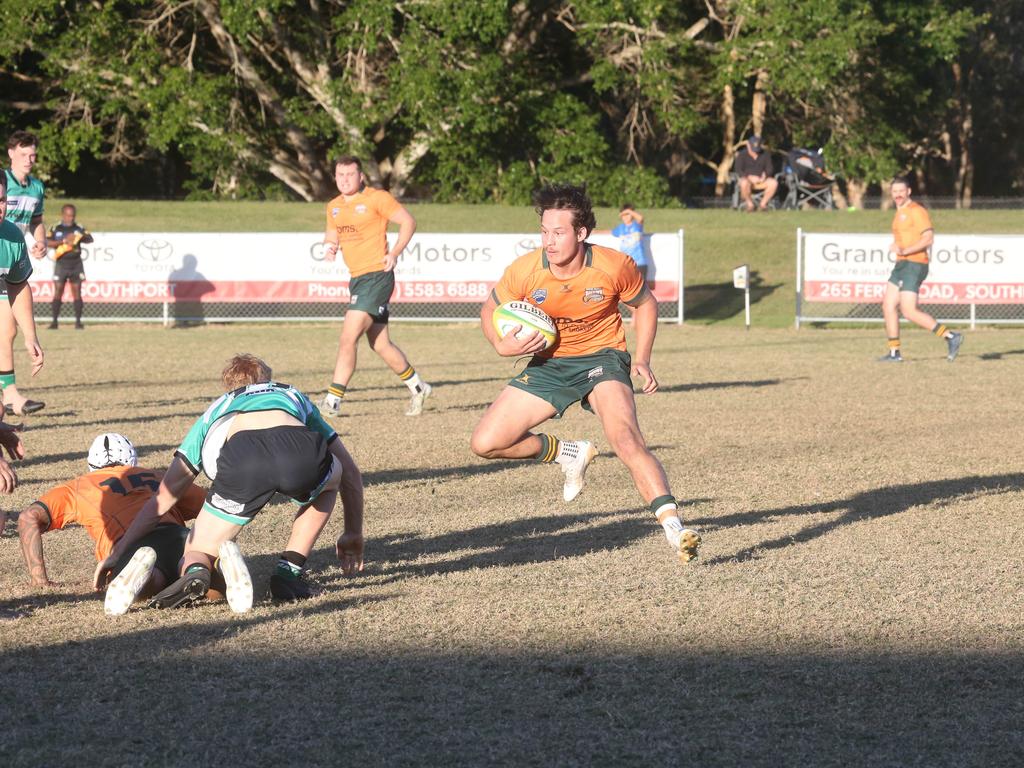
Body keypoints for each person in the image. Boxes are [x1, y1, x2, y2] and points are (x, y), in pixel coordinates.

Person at [470, 183, 701, 564]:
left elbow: (645, 305)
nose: (549, 241)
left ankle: (674, 528)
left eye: (558, 232)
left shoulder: (612, 265)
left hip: (603, 358)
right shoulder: (525, 270)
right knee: (486, 442)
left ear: (581, 233)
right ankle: (569, 453)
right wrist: (500, 344)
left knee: (626, 439)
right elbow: (488, 309)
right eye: (544, 231)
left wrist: (641, 358)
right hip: (550, 363)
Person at [94, 354, 365, 612]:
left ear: (229, 387)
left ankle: (196, 569)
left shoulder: (218, 408)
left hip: (241, 457)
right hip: (298, 450)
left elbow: (164, 497)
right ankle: (289, 573)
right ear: (267, 380)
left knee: (197, 548)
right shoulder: (290, 393)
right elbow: (352, 473)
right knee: (334, 476)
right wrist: (352, 533)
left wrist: (119, 551)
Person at [14, 433, 223, 615]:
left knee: (150, 583)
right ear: (132, 460)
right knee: (208, 584)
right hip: (179, 536)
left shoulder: (79, 486)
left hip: (128, 545)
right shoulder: (158, 476)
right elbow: (214, 508)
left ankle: (146, 575)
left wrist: (38, 579)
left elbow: (28, 518)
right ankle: (216, 569)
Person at [320, 156, 432, 417]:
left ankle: (332, 401)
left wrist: (394, 253)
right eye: (340, 175)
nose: (344, 179)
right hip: (357, 278)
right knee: (380, 344)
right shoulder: (333, 206)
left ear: (361, 177)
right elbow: (332, 232)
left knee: (348, 337)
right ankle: (418, 387)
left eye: (350, 174)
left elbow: (408, 221)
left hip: (377, 276)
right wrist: (330, 246)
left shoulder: (376, 198)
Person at [879, 176, 963, 362]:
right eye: (895, 191)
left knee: (908, 311)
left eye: (901, 191)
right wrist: (898, 248)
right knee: (888, 305)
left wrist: (905, 250)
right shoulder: (899, 212)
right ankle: (894, 353)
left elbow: (928, 238)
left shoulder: (916, 211)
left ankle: (950, 336)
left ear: (908, 191)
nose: (898, 194)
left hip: (914, 264)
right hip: (902, 264)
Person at [2, 132, 46, 416]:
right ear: (10, 153)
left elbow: (18, 286)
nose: (1, 207)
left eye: (3, 200)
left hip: (10, 267)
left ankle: (9, 394)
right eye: (24, 154)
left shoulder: (12, 237)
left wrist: (32, 336)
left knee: (7, 329)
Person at [45, 203, 93, 329]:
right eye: (68, 215)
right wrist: (63, 241)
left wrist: (79, 237)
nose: (70, 218)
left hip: (76, 263)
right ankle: (54, 322)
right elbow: (47, 242)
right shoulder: (55, 228)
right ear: (63, 215)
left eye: (73, 216)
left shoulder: (79, 227)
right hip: (61, 263)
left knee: (77, 291)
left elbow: (90, 239)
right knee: (58, 291)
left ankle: (78, 322)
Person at [596, 204, 649, 282]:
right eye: (623, 215)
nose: (626, 216)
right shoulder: (620, 228)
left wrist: (628, 211)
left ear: (632, 214)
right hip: (626, 264)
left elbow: (640, 218)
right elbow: (610, 232)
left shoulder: (637, 225)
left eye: (628, 214)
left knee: (642, 290)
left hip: (639, 263)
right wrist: (594, 232)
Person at [734, 134, 778, 212]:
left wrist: (765, 176)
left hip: (762, 180)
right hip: (747, 180)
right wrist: (748, 177)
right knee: (743, 183)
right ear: (748, 145)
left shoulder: (765, 154)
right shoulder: (741, 155)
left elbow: (770, 168)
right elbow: (738, 169)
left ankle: (763, 204)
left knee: (774, 183)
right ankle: (750, 205)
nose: (755, 152)